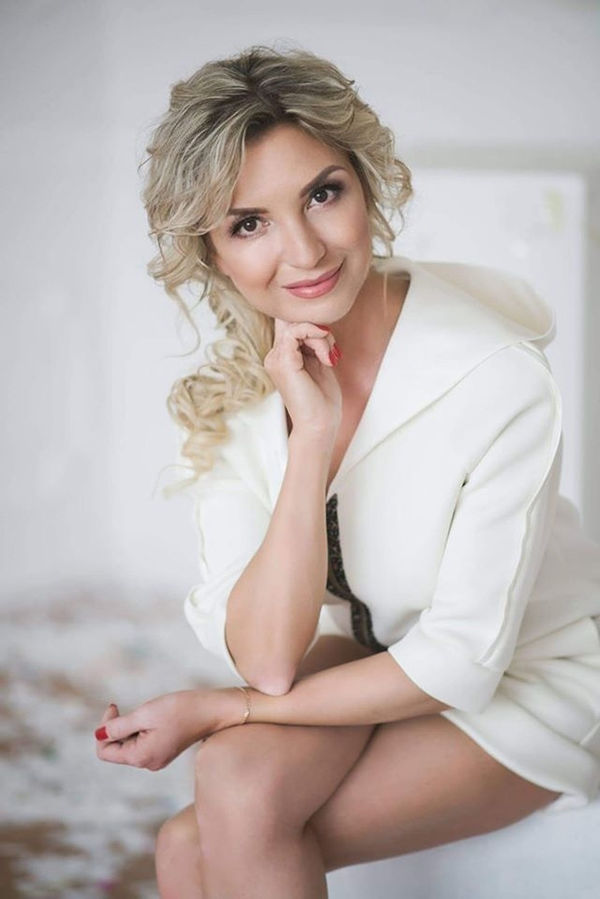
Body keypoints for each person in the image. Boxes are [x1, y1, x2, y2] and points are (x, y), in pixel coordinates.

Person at [94, 45, 600, 898]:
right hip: (375, 652)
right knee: (221, 796)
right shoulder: (239, 392)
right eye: (248, 223)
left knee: (201, 839)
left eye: (322, 194)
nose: (303, 250)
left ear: (366, 186)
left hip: (530, 683)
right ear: (212, 253)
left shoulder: (496, 378)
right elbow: (267, 659)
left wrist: (220, 708)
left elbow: (460, 663)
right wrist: (312, 439)